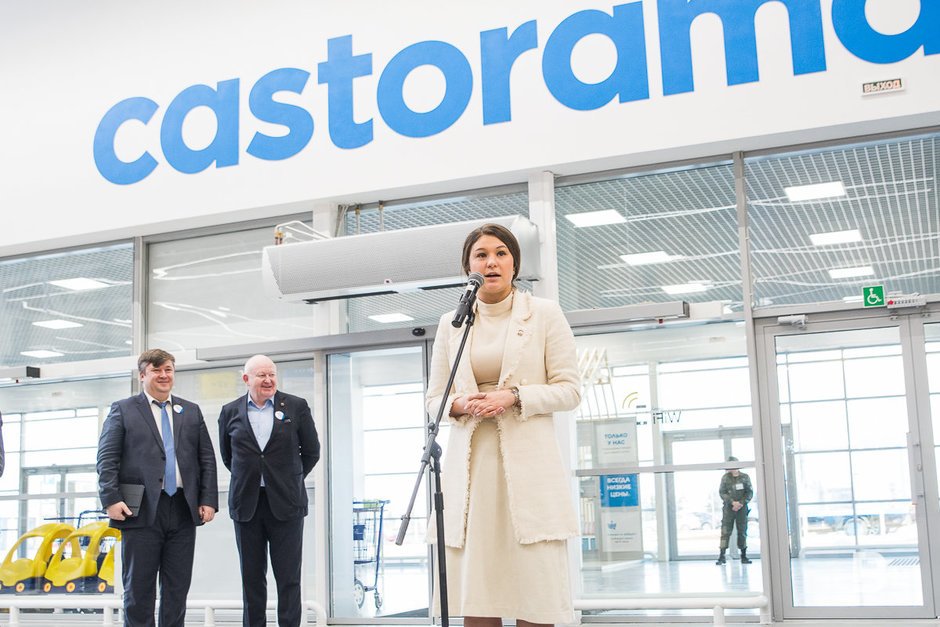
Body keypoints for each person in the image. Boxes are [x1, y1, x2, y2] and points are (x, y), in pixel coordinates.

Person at [426, 223, 581, 627]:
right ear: (468, 267)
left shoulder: (544, 313)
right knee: (477, 595)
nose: (491, 262)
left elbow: (569, 391)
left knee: (535, 593)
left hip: (529, 472)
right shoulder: (452, 323)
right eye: (481, 255)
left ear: (515, 263)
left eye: (501, 253)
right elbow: (434, 399)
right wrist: (461, 404)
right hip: (472, 474)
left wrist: (513, 396)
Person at [97, 349, 219, 627]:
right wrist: (111, 498)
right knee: (138, 589)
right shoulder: (124, 409)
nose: (164, 375)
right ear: (143, 375)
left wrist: (208, 499)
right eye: (156, 370)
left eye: (168, 370)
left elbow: (206, 458)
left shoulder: (190, 410)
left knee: (177, 589)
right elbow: (107, 458)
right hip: (139, 509)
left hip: (182, 508)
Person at [218, 355, 321, 627]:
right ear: (246, 379)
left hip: (287, 504)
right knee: (251, 578)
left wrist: (288, 479)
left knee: (289, 578)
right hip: (247, 505)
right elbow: (228, 457)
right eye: (261, 375)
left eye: (271, 374)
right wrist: (254, 477)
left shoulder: (296, 406)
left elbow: (311, 451)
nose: (268, 380)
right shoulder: (230, 411)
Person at [716, 456, 753, 565]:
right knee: (725, 531)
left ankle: (743, 555)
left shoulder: (745, 477)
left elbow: (749, 492)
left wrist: (741, 503)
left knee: (742, 531)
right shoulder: (725, 478)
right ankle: (722, 556)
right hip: (729, 508)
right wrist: (732, 502)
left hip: (742, 509)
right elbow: (722, 492)